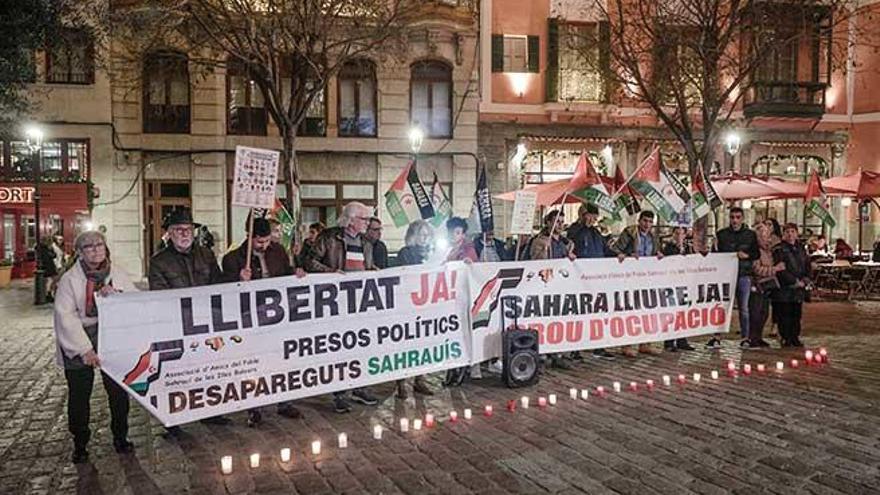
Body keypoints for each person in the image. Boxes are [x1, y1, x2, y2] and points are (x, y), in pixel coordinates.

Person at [53, 231, 136, 464]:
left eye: (99, 245)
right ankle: (80, 442)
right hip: (78, 337)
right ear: (80, 252)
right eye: (89, 247)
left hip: (110, 334)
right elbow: (65, 316)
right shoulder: (70, 280)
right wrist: (84, 349)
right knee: (80, 394)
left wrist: (116, 295)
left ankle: (121, 436)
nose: (96, 250)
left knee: (118, 390)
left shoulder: (116, 273)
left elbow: (134, 299)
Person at [148, 208, 231, 431]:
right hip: (177, 325)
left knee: (208, 367)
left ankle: (210, 410)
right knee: (177, 372)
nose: (184, 233)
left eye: (188, 229)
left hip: (206, 323)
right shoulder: (159, 261)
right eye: (178, 230)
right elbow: (160, 294)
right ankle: (174, 417)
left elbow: (219, 283)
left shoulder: (206, 254)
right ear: (169, 234)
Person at [222, 216, 305, 425]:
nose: (264, 245)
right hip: (251, 319)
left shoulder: (277, 251)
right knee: (254, 364)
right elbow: (223, 289)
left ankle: (284, 402)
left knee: (281, 359)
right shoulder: (232, 258)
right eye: (259, 242)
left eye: (267, 240)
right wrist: (239, 280)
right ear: (249, 237)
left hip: (277, 316)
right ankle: (254, 407)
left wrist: (296, 272)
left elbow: (286, 273)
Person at [304, 202, 379, 413]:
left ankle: (359, 387)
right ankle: (339, 393)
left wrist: (375, 271)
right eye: (364, 219)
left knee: (361, 347)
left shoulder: (366, 242)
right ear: (351, 219)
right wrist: (331, 273)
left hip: (361, 304)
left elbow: (365, 266)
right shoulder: (329, 238)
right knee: (339, 350)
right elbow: (310, 262)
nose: (368, 223)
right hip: (335, 304)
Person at [610, 210, 663, 357]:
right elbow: (615, 250)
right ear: (639, 221)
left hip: (647, 278)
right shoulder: (630, 232)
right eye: (645, 221)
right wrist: (626, 256)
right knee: (630, 310)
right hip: (629, 277)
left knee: (646, 310)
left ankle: (645, 343)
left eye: (650, 222)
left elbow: (656, 251)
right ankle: (626, 344)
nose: (647, 224)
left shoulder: (653, 236)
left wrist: (658, 254)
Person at [566, 204, 615, 360]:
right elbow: (570, 244)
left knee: (598, 313)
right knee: (580, 313)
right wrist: (582, 225)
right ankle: (576, 349)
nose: (594, 220)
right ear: (583, 215)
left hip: (597, 279)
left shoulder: (595, 232)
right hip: (580, 279)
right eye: (591, 216)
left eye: (595, 217)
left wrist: (620, 255)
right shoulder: (574, 230)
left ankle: (598, 346)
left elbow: (605, 251)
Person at [393, 220, 436, 397]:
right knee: (404, 345)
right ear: (413, 236)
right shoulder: (405, 253)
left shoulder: (434, 253)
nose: (425, 238)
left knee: (423, 344)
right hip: (407, 306)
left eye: (427, 235)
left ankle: (420, 379)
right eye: (421, 234)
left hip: (426, 306)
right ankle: (401, 383)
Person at [530, 210, 577, 369]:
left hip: (561, 286)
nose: (560, 225)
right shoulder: (540, 241)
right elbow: (536, 263)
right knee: (544, 320)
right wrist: (543, 253)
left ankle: (558, 353)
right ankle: (542, 355)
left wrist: (570, 257)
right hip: (545, 286)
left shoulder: (565, 242)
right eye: (556, 221)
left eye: (562, 222)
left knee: (560, 319)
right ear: (548, 222)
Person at [711, 207, 759, 349]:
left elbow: (756, 253)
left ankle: (745, 337)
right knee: (722, 307)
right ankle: (716, 337)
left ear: (742, 218)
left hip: (743, 274)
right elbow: (715, 256)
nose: (735, 220)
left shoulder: (750, 235)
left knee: (744, 308)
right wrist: (714, 247)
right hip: (725, 276)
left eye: (738, 217)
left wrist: (747, 256)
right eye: (732, 217)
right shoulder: (722, 234)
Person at [772, 223, 812, 347]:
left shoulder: (801, 248)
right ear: (784, 234)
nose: (790, 234)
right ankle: (785, 337)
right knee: (784, 314)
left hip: (798, 289)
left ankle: (795, 337)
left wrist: (805, 280)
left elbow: (807, 265)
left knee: (796, 314)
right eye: (787, 232)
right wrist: (793, 281)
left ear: (796, 233)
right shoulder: (779, 249)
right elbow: (780, 268)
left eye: (792, 231)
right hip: (785, 288)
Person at [749, 222, 784, 349]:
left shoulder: (769, 249)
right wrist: (774, 269)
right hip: (758, 285)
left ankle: (759, 337)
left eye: (766, 234)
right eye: (762, 234)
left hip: (768, 285)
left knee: (764, 313)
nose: (765, 237)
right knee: (756, 312)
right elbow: (757, 269)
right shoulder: (755, 251)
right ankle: (752, 338)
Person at [660, 226, 696, 352]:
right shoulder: (669, 247)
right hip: (671, 283)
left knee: (683, 312)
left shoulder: (688, 248)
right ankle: (669, 342)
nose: (679, 236)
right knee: (671, 312)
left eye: (682, 233)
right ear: (673, 234)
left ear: (685, 235)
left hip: (684, 283)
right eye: (677, 233)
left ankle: (682, 340)